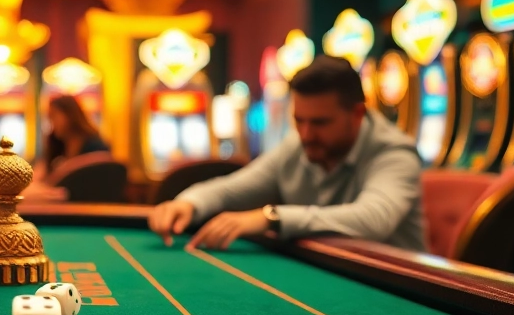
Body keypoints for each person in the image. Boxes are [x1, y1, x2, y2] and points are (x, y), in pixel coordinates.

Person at [149, 55, 426, 252]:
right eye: (299, 120)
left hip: (397, 285)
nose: (305, 134)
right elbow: (232, 189)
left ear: (356, 114)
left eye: (320, 123)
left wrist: (271, 217)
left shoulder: (395, 153)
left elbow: (373, 219)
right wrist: (187, 203)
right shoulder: (299, 145)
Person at [40, 95, 109, 176]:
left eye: (54, 116)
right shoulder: (57, 146)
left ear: (70, 115)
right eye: (49, 118)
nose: (51, 122)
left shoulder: (96, 147)